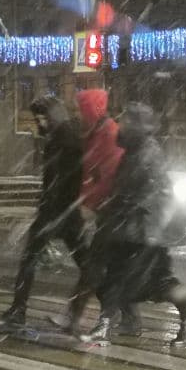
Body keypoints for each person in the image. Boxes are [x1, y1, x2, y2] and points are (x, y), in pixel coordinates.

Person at [85, 102, 186, 346]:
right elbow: (125, 190)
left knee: (136, 280)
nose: (120, 127)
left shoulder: (147, 153)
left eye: (125, 122)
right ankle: (108, 325)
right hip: (134, 228)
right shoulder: (134, 152)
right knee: (125, 278)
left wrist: (122, 210)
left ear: (137, 126)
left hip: (146, 230)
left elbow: (149, 193)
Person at [0, 93, 87, 329]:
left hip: (58, 212)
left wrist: (48, 213)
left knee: (30, 260)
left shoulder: (63, 140)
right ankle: (115, 310)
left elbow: (58, 180)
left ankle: (18, 310)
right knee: (87, 263)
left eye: (41, 118)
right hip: (66, 211)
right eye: (38, 119)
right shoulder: (65, 136)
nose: (40, 123)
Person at [60, 87, 139, 335]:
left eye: (83, 109)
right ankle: (130, 317)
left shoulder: (108, 134)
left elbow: (108, 176)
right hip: (108, 211)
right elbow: (92, 174)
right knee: (111, 268)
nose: (79, 114)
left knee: (95, 267)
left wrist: (92, 203)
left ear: (92, 109)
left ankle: (74, 317)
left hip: (112, 211)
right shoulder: (95, 133)